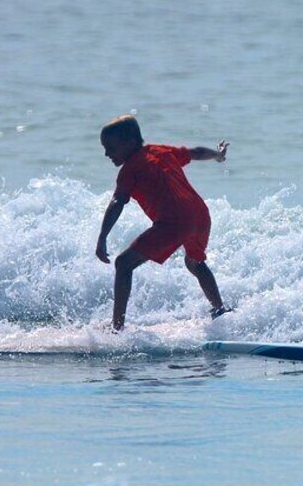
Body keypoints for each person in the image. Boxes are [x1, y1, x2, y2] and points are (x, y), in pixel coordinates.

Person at [95, 114, 231, 331]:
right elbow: (195, 153)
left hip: (174, 221)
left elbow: (118, 200)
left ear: (129, 142)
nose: (106, 153)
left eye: (110, 147)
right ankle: (220, 310)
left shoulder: (129, 170)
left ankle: (116, 328)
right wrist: (217, 155)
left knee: (123, 264)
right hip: (199, 215)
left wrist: (102, 237)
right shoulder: (160, 150)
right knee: (194, 262)